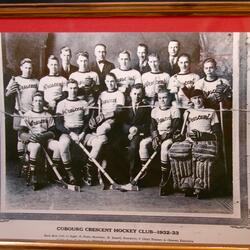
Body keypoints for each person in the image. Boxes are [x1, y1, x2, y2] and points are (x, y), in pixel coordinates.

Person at [169, 89, 221, 198]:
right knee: (178, 150)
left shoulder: (211, 111)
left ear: (203, 98)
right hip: (190, 140)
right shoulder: (188, 112)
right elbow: (183, 132)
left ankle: (201, 185)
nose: (197, 100)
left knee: (202, 152)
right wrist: (179, 136)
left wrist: (203, 136)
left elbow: (217, 132)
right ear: (191, 100)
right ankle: (187, 182)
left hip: (206, 140)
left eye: (199, 97)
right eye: (194, 98)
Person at [55, 79, 106, 186]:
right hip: (67, 132)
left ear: (78, 89)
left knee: (99, 142)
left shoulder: (84, 103)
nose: (73, 90)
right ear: (67, 89)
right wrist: (70, 133)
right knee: (63, 144)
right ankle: (70, 174)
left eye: (75, 88)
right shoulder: (61, 104)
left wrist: (83, 132)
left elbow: (87, 121)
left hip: (82, 132)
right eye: (71, 88)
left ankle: (88, 169)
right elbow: (58, 124)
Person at [139, 89, 181, 196]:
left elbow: (176, 126)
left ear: (170, 98)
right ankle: (145, 173)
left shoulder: (174, 109)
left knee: (164, 146)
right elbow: (152, 126)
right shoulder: (155, 110)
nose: (162, 100)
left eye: (165, 97)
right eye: (160, 98)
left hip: (170, 136)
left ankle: (165, 177)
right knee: (143, 143)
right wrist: (155, 137)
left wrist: (164, 136)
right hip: (158, 135)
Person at [18, 92, 60, 190]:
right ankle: (34, 176)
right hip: (33, 141)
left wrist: (44, 136)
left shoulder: (48, 115)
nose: (38, 103)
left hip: (45, 139)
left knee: (58, 145)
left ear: (43, 102)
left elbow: (53, 132)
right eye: (36, 100)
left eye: (40, 101)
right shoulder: (27, 115)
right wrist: (29, 136)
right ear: (33, 102)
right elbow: (21, 133)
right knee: (36, 146)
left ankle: (52, 173)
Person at [5, 58, 39, 174]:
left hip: (32, 114)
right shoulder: (16, 80)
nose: (28, 70)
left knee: (31, 137)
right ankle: (23, 162)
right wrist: (11, 90)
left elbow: (39, 97)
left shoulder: (36, 81)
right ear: (21, 68)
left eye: (30, 68)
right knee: (20, 136)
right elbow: (6, 94)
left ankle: (30, 160)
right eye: (26, 67)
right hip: (19, 112)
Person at [122, 84, 151, 182]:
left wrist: (136, 129)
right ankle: (116, 174)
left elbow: (148, 125)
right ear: (130, 94)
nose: (136, 96)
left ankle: (132, 175)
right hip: (126, 133)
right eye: (134, 94)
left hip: (139, 134)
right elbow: (121, 122)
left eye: (139, 94)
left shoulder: (146, 106)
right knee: (113, 145)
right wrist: (130, 129)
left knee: (133, 147)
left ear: (142, 94)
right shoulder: (126, 105)